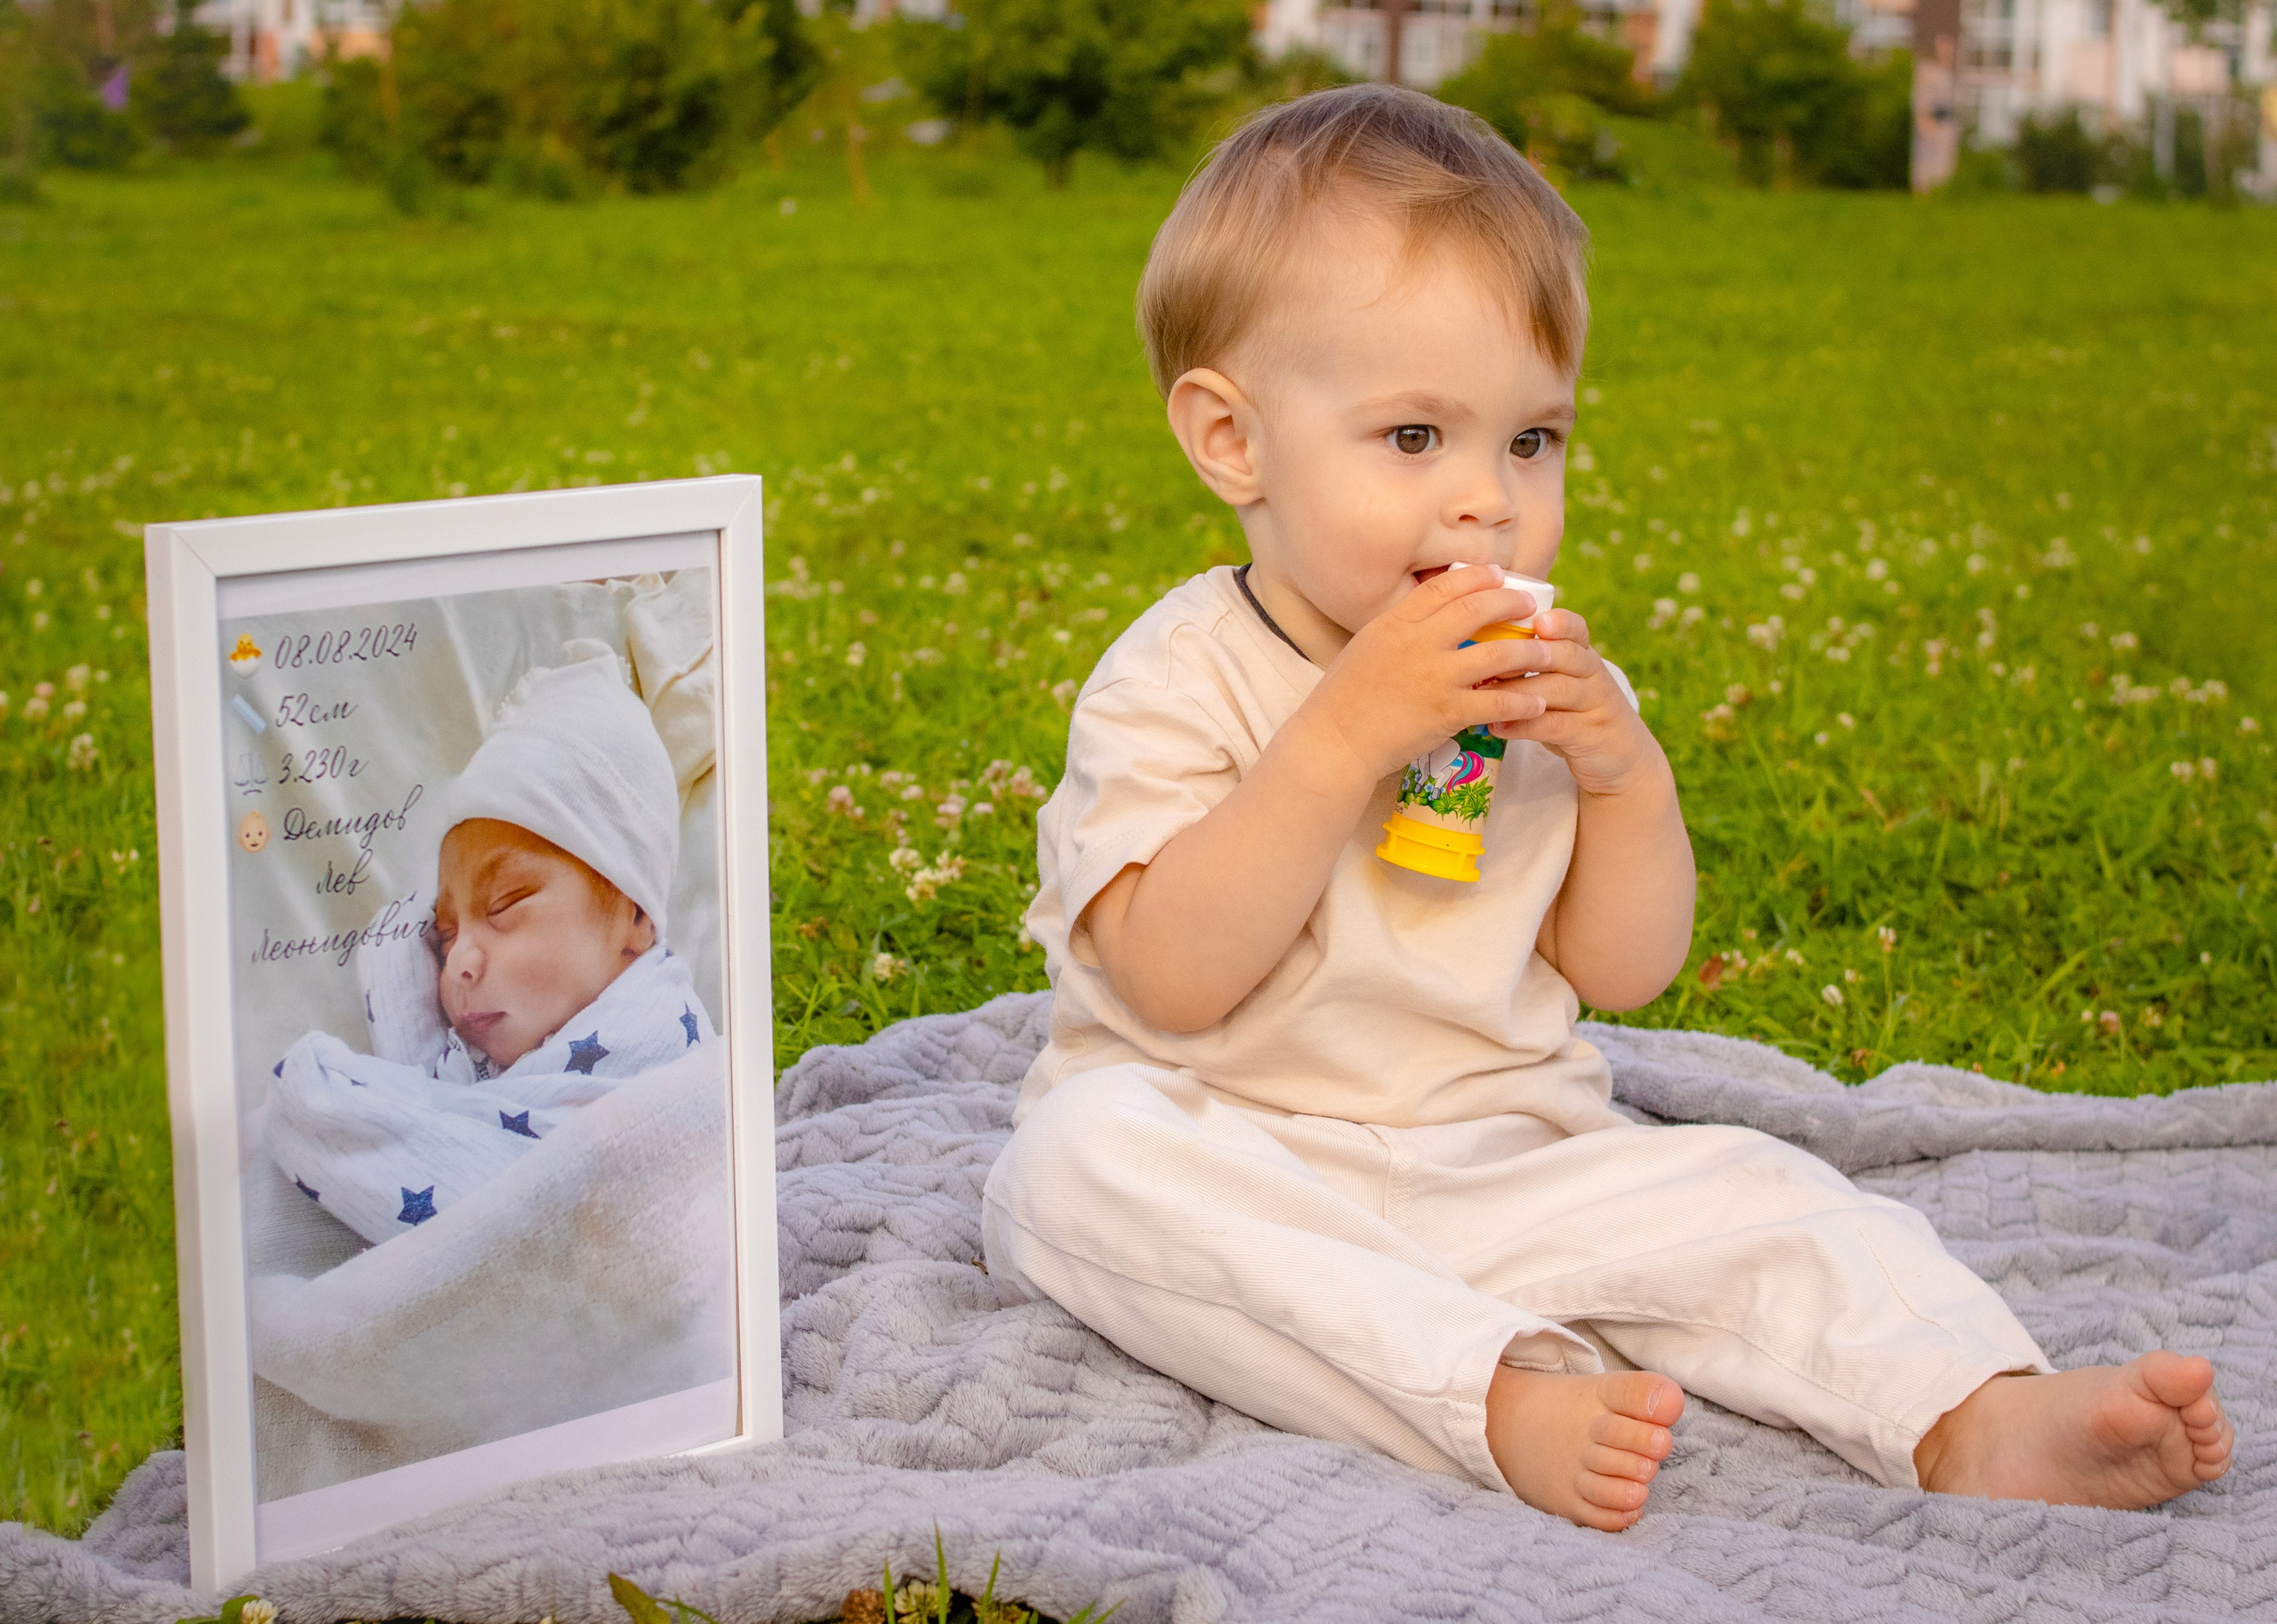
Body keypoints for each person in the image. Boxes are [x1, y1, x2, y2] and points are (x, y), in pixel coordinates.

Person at [982, 85, 2233, 1531]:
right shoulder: (1176, 679)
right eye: (1412, 440)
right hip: (1242, 1154)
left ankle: (1971, 1415)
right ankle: (1492, 1395)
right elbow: (1170, 979)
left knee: (1766, 1194)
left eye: (1532, 442)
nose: (1489, 505)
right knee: (1072, 1173)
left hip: (1512, 1160)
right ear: (1231, 441)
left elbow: (1624, 972)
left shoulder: (1543, 691)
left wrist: (1625, 773)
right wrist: (1339, 743)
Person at [261, 642, 715, 1248]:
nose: (458, 968)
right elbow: (440, 1122)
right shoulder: (468, 1074)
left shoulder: (663, 1040)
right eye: (445, 938)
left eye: (504, 905)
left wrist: (323, 1104)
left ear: (634, 915)